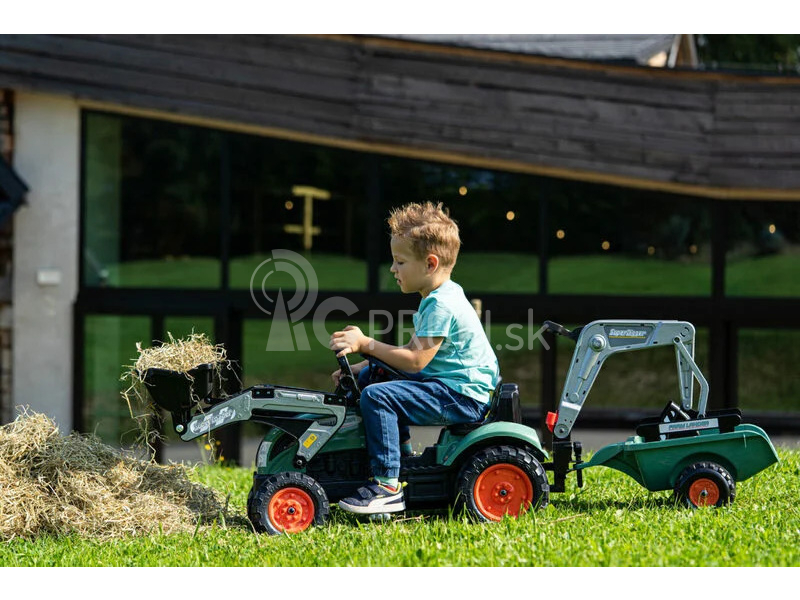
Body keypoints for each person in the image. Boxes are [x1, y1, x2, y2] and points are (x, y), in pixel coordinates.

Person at [329, 201, 499, 515]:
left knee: (377, 397)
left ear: (430, 263)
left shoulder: (440, 305)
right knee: (374, 378)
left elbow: (416, 361)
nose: (393, 269)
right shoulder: (438, 296)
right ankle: (400, 458)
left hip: (460, 396)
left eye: (400, 262)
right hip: (449, 385)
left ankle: (387, 486)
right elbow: (409, 353)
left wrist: (366, 343)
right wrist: (364, 366)